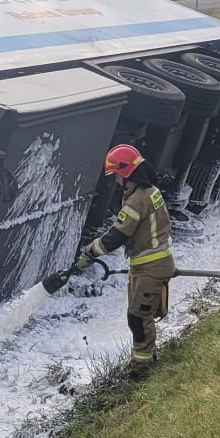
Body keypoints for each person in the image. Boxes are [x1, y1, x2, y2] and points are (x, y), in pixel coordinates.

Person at [76, 143, 176, 368]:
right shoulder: (149, 191)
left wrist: (90, 252)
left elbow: (117, 236)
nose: (116, 181)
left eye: (117, 175)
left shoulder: (137, 200)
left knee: (138, 318)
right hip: (149, 264)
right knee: (139, 315)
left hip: (151, 267)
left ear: (127, 172)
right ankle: (143, 359)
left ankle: (142, 368)